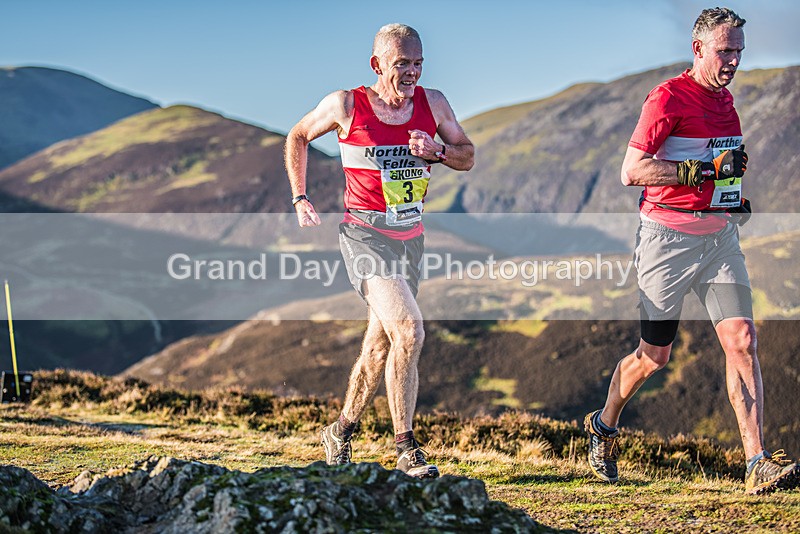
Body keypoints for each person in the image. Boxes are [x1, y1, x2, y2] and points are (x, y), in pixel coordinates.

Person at [584, 7, 799, 494]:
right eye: (725, 51)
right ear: (698, 48)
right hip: (666, 240)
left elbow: (717, 165)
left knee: (742, 339)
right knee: (654, 356)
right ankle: (603, 424)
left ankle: (756, 463)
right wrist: (702, 174)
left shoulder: (726, 102)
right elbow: (632, 171)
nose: (734, 61)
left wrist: (731, 198)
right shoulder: (666, 98)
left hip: (718, 238)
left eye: (740, 52)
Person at [284, 23, 474, 478]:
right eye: (401, 64)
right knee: (409, 331)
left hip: (411, 238)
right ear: (377, 65)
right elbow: (297, 135)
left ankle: (341, 430)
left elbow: (467, 154)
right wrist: (301, 197)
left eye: (418, 64)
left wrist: (438, 152)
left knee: (378, 347)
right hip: (364, 236)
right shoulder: (346, 104)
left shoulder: (435, 104)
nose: (412, 73)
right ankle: (406, 449)